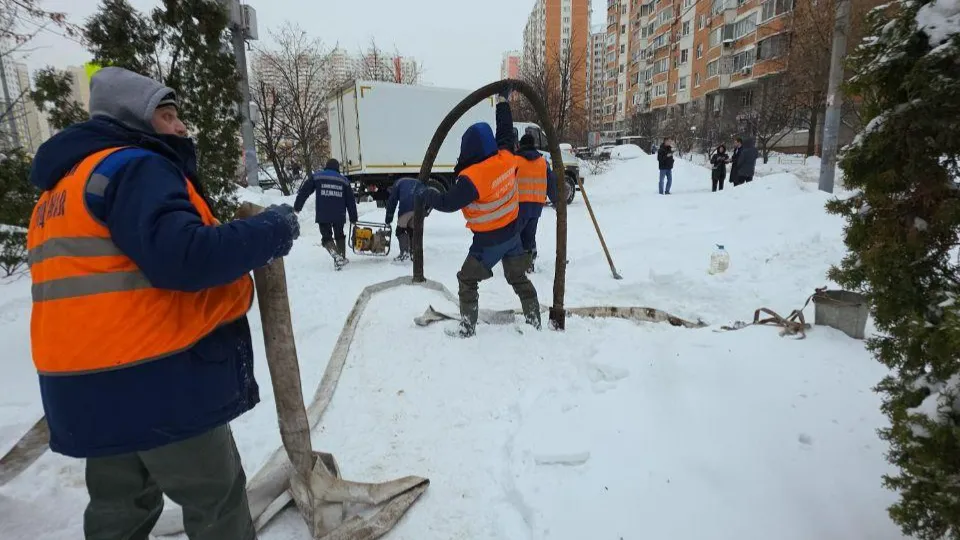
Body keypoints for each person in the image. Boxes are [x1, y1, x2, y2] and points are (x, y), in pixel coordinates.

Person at [26, 66, 300, 540]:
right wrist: (271, 230)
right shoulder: (134, 166)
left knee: (120, 507)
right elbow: (186, 257)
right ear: (132, 118)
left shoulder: (58, 192)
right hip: (157, 380)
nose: (180, 127)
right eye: (167, 115)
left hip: (85, 391)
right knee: (216, 501)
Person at [417, 85, 540, 338]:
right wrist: (503, 101)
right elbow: (505, 132)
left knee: (467, 280)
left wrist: (425, 193)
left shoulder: (472, 178)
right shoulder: (506, 157)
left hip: (489, 242)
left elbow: (447, 202)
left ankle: (467, 327)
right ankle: (534, 322)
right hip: (514, 233)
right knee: (518, 278)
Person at [294, 158, 358, 270]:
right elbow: (350, 201)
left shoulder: (318, 176)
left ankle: (337, 257)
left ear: (326, 166)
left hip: (323, 213)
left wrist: (297, 207)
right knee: (339, 234)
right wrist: (353, 217)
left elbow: (304, 191)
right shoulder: (344, 180)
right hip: (339, 213)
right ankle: (341, 257)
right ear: (337, 168)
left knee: (326, 237)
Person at [515, 132, 559, 273]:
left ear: (520, 145)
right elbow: (551, 184)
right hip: (536, 206)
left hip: (519, 205)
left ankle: (517, 264)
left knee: (516, 234)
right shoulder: (543, 162)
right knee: (530, 234)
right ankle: (529, 262)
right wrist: (557, 201)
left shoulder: (515, 161)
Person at [384, 176, 424, 262]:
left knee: (400, 230)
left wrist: (388, 219)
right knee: (413, 230)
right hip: (419, 209)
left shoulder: (397, 184)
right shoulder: (417, 182)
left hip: (406, 208)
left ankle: (405, 253)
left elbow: (392, 203)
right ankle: (414, 253)